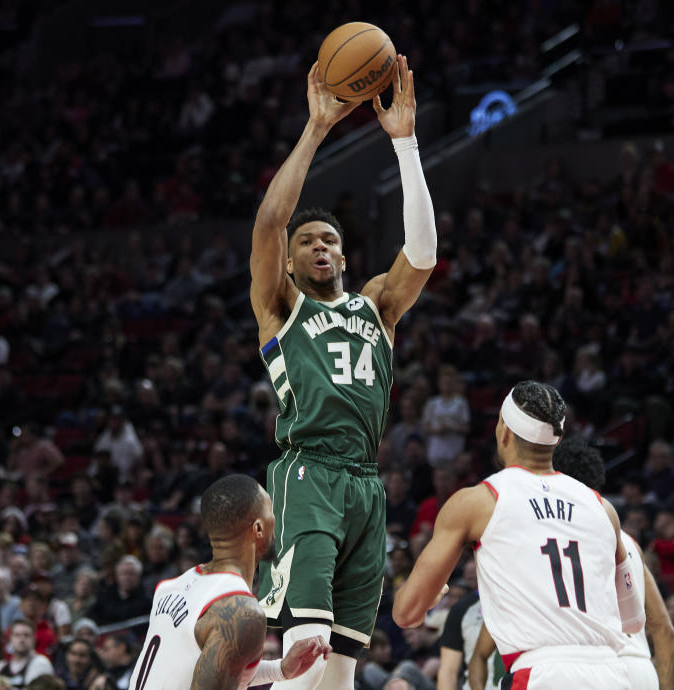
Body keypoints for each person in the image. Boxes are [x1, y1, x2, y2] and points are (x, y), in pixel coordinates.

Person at [250, 56, 436, 690]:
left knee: (338, 675)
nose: (320, 245)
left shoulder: (377, 306)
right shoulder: (281, 307)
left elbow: (425, 254)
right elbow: (271, 222)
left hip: (365, 483)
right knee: (307, 649)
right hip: (307, 475)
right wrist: (317, 128)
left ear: (345, 254)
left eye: (329, 238)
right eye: (309, 243)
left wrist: (405, 143)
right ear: (294, 264)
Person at [392, 381, 644, 688]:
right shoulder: (603, 508)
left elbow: (406, 612)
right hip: (612, 675)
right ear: (558, 438)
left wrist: (433, 594)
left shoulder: (479, 501)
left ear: (504, 430)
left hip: (541, 673)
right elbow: (632, 619)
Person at [468, 434, 674, 690]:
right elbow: (664, 629)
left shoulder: (543, 538)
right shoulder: (629, 543)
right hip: (638, 668)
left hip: (582, 666)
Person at [128, 474, 331, 690]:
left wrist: (280, 669)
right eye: (272, 510)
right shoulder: (241, 611)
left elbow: (210, 669)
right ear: (258, 529)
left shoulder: (173, 585)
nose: (277, 520)